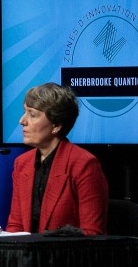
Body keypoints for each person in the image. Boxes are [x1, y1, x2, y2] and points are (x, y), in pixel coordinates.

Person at [6, 82, 108, 235]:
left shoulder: (84, 164)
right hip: (26, 257)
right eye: (24, 112)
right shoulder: (22, 164)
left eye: (32, 115)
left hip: (66, 257)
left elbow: (92, 234)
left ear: (56, 125)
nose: (22, 121)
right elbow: (15, 227)